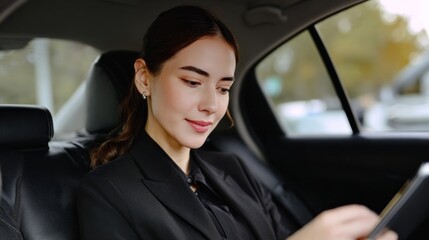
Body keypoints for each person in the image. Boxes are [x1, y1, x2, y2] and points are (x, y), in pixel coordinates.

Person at [77, 5, 397, 240]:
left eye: (223, 88)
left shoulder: (234, 169)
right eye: (191, 82)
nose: (211, 105)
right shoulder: (107, 193)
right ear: (145, 79)